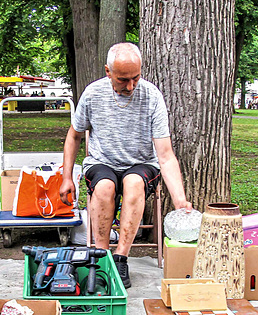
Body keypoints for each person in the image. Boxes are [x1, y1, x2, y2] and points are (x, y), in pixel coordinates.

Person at [59, 42, 192, 288]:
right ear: (108, 71)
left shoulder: (152, 95)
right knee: (105, 188)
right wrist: (67, 177)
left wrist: (180, 199)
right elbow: (74, 135)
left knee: (132, 182)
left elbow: (165, 154)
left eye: (136, 78)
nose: (131, 86)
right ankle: (99, 259)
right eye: (123, 80)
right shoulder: (92, 93)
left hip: (141, 163)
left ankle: (120, 258)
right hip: (102, 162)